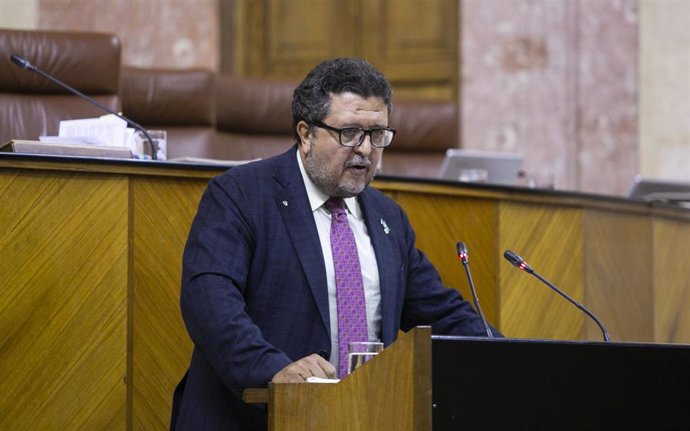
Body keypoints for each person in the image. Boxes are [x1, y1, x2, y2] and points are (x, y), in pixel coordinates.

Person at [170, 57, 500, 430]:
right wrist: (274, 370)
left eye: (377, 135)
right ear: (306, 134)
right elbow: (209, 303)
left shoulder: (387, 218)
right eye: (349, 133)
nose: (364, 149)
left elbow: (443, 316)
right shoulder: (241, 195)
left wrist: (506, 357)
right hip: (256, 418)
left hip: (363, 418)